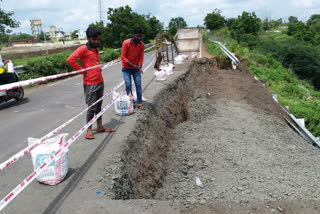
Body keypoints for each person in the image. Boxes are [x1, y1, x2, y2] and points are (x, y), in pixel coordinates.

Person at [67, 27, 114, 140]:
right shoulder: (83, 49)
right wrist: (82, 71)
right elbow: (70, 60)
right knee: (91, 107)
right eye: (94, 39)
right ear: (88, 38)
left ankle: (99, 127)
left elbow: (93, 63)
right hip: (90, 83)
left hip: (99, 81)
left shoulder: (96, 49)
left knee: (99, 106)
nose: (97, 41)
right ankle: (88, 130)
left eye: (98, 39)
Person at [121, 27, 146, 110]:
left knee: (138, 84)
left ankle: (139, 103)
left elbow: (141, 56)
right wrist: (132, 65)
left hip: (136, 69)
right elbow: (123, 57)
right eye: (137, 36)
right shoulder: (126, 43)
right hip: (126, 68)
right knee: (128, 85)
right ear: (133, 35)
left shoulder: (141, 44)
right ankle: (131, 102)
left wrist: (140, 65)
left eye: (140, 37)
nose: (139, 38)